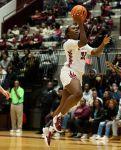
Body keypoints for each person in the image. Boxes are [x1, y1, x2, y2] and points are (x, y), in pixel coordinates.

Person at [43, 13, 110, 146]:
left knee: (63, 105)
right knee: (78, 94)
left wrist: (103, 44)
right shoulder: (68, 43)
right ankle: (58, 118)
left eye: (77, 27)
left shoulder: (83, 45)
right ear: (68, 34)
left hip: (77, 76)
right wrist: (80, 22)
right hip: (69, 71)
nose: (77, 29)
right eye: (73, 28)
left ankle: (48, 129)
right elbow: (83, 41)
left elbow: (96, 52)